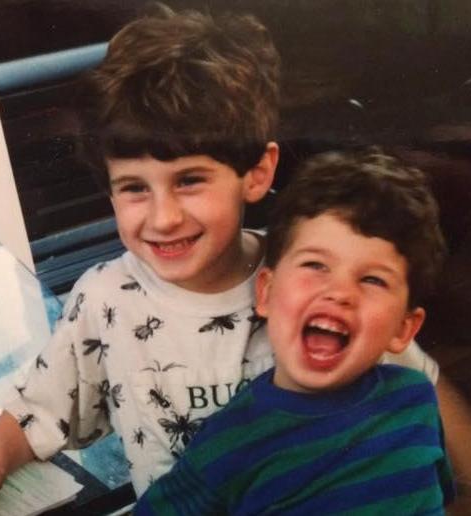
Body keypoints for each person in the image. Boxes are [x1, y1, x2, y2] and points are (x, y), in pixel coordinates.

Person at [0, 5, 437, 498]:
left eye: (189, 180)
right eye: (135, 188)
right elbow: (39, 411)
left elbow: (418, 396)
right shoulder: (104, 300)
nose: (163, 218)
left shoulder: (315, 280)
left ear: (257, 173)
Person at [134, 150, 454, 515]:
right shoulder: (229, 441)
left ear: (403, 328)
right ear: (267, 292)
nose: (340, 292)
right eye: (316, 265)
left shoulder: (415, 399)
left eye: (373, 279)